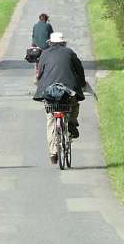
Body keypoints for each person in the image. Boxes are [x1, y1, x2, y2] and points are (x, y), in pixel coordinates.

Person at [33, 32, 87, 165]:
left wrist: (40, 82)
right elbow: (79, 69)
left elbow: (39, 73)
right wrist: (82, 83)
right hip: (67, 90)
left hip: (49, 92)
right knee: (74, 104)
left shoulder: (44, 54)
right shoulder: (69, 53)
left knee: (51, 120)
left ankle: (53, 153)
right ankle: (72, 123)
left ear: (50, 43)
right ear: (63, 43)